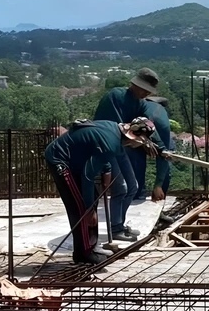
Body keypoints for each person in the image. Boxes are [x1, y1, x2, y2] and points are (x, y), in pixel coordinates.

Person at [44, 118, 156, 264]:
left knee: (91, 200)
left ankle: (91, 246)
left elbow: (97, 151)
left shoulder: (115, 129)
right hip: (60, 159)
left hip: (77, 160)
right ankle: (83, 255)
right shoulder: (111, 142)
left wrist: (107, 171)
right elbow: (88, 175)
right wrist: (90, 209)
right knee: (80, 207)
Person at [92, 67, 159, 241]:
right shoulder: (116, 96)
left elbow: (145, 125)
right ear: (134, 85)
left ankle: (119, 224)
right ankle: (115, 229)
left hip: (120, 147)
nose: (145, 93)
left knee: (133, 186)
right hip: (106, 146)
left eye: (148, 91)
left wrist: (150, 141)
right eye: (143, 89)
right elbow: (117, 128)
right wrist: (141, 141)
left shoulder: (140, 103)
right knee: (120, 188)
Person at [129, 95, 173, 202]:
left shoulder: (158, 121)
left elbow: (163, 154)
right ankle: (154, 196)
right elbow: (164, 155)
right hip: (141, 130)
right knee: (137, 161)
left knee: (137, 162)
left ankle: (142, 196)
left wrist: (158, 184)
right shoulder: (153, 115)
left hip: (143, 130)